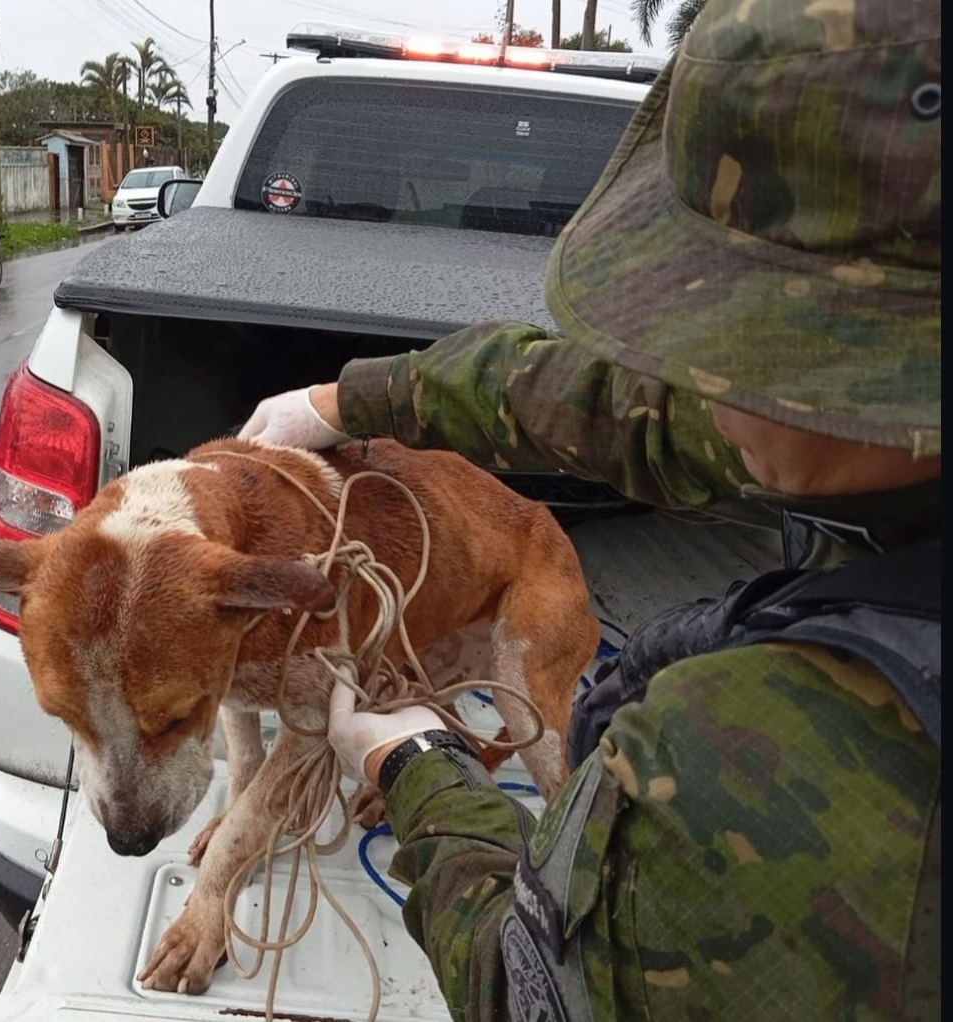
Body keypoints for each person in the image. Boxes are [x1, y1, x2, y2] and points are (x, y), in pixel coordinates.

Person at [241, 1, 941, 1018]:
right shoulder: (867, 433)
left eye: (724, 320)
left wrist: (411, 763)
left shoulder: (742, 764)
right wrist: (352, 399)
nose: (683, 352)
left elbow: (522, 981)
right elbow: (640, 409)